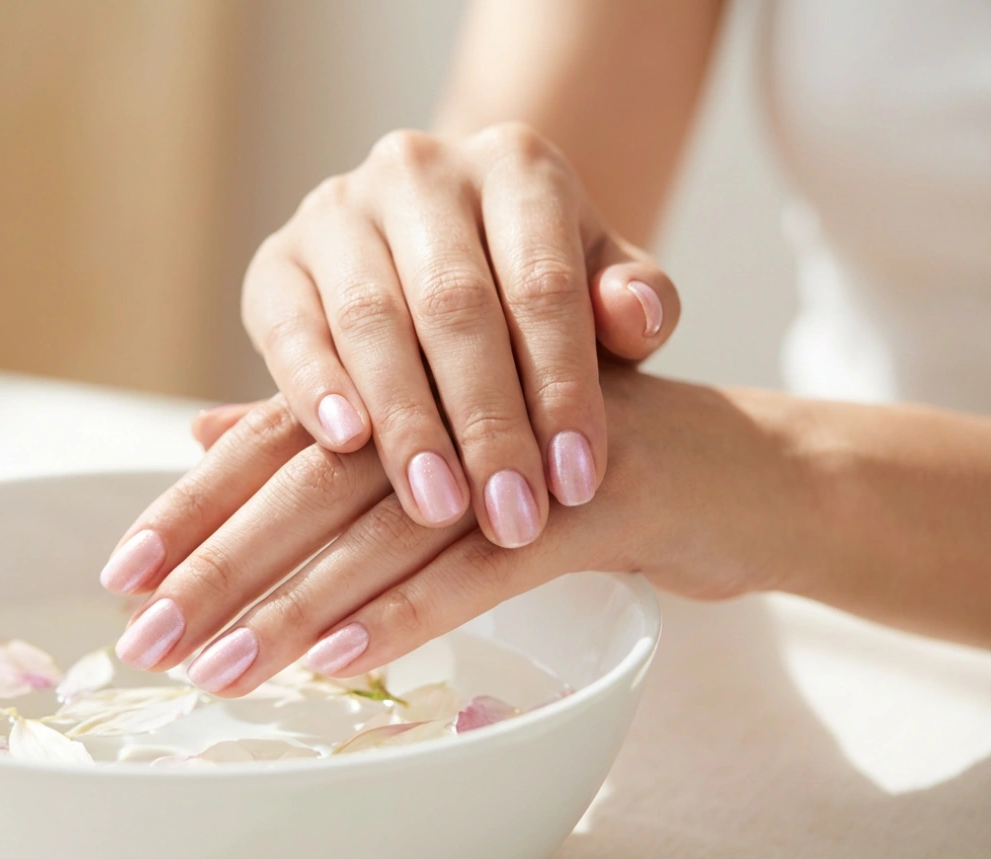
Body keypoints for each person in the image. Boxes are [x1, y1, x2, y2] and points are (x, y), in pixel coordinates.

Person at [100, 0, 991, 694]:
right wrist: (428, 295)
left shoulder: (773, 486)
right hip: (830, 633)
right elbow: (511, 285)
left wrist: (777, 474)